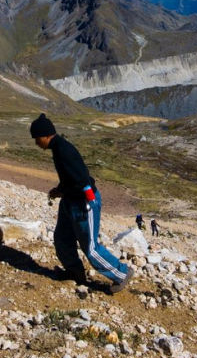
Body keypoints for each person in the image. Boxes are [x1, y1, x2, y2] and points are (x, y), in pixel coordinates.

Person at [30, 113, 133, 294]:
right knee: (62, 239)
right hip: (70, 202)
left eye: (36, 138)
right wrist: (60, 190)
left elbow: (82, 181)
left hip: (83, 203)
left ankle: (122, 273)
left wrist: (65, 193)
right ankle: (75, 272)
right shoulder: (58, 148)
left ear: (45, 135)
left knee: (90, 248)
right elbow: (70, 177)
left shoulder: (64, 150)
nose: (36, 143)